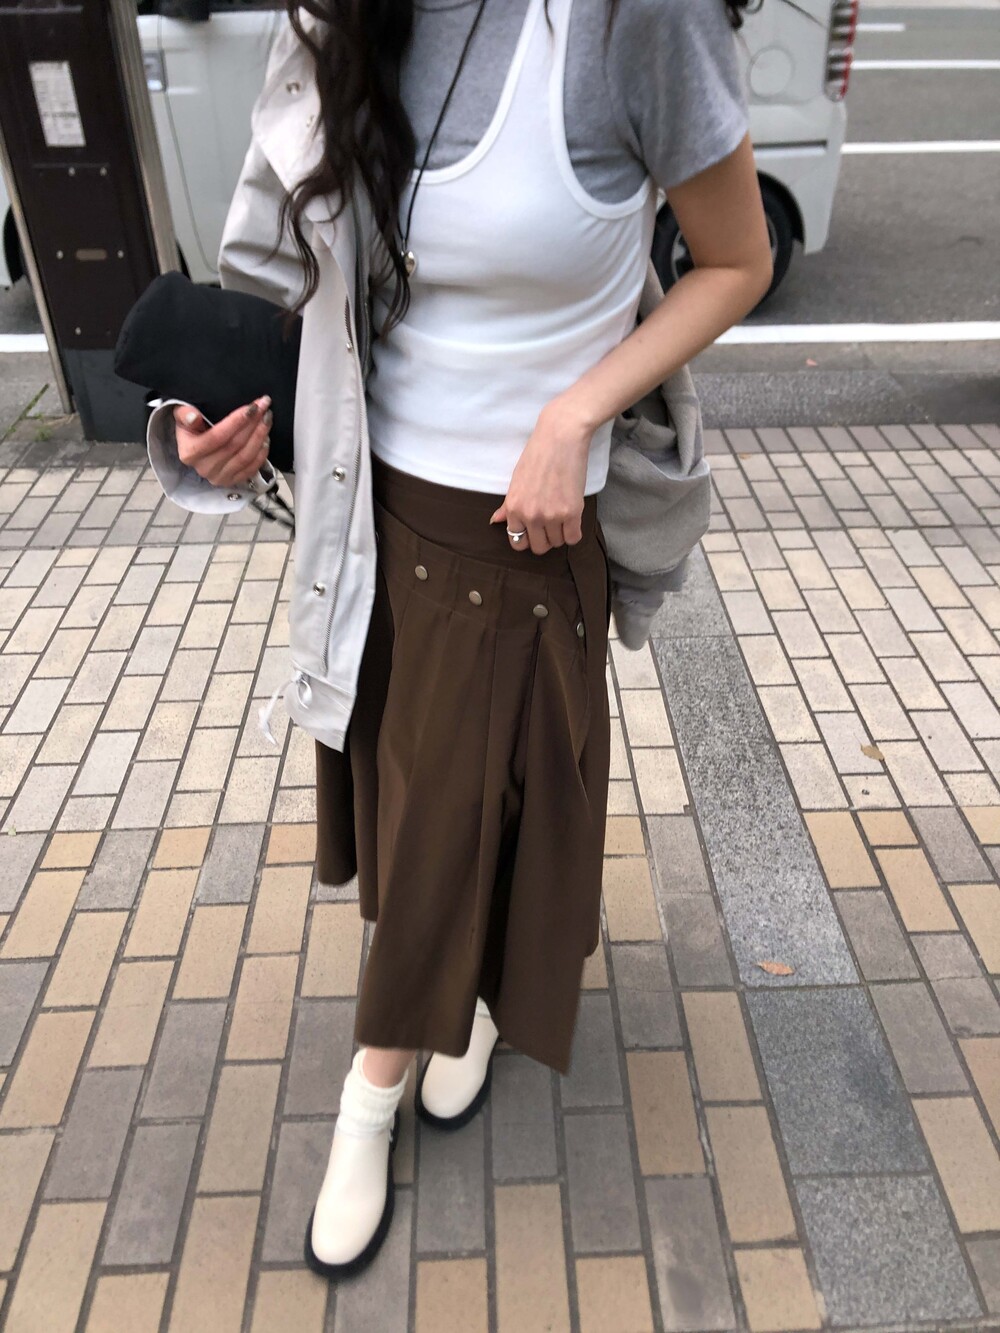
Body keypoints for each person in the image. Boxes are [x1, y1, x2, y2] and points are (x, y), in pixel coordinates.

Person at [148, 0, 772, 1281]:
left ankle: (368, 1095)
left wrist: (575, 413)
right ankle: (461, 1006)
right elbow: (298, 278)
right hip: (368, 517)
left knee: (450, 813)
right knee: (418, 806)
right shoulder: (344, 15)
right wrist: (220, 425)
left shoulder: (631, 23)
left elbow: (736, 259)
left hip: (525, 535)